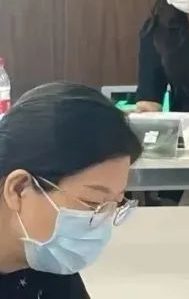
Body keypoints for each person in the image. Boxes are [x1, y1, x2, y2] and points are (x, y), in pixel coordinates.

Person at [0, 82, 143, 298]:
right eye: (93, 203)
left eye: (115, 204)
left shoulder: (46, 260)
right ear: (19, 189)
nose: (101, 226)